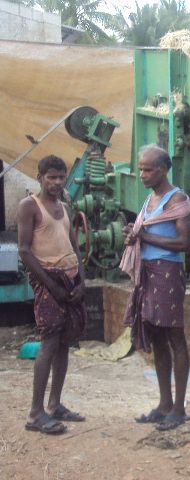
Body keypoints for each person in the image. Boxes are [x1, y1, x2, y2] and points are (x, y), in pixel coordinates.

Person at [120, 145, 190, 431]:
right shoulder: (150, 200)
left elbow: (183, 243)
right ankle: (164, 404)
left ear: (163, 169)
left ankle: (179, 408)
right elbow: (144, 235)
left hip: (167, 272)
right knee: (158, 338)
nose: (142, 174)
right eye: (140, 168)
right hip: (148, 273)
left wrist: (144, 236)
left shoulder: (178, 199)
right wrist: (134, 236)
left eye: (148, 169)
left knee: (175, 338)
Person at [17, 154, 87, 435]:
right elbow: (24, 250)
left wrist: (82, 278)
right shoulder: (28, 206)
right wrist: (49, 284)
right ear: (40, 178)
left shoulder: (64, 205)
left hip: (70, 280)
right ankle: (36, 413)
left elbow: (73, 245)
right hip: (49, 280)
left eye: (61, 177)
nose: (57, 182)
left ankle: (55, 404)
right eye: (52, 177)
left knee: (63, 343)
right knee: (49, 343)